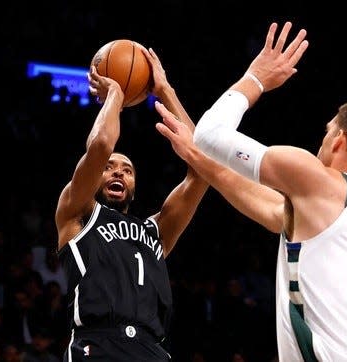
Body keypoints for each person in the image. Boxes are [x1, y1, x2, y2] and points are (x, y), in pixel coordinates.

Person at [154, 21, 347, 361]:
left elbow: (209, 134)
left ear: (339, 138)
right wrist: (197, 157)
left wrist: (255, 78)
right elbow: (269, 208)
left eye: (327, 132)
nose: (323, 140)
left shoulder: (319, 181)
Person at [55, 43, 208, 361]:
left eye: (127, 170)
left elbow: (203, 168)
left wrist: (165, 90)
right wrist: (115, 95)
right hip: (98, 345)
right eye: (110, 167)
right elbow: (101, 144)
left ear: (135, 185)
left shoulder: (157, 231)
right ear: (96, 176)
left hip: (152, 349)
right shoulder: (77, 212)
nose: (118, 173)